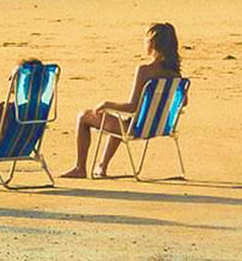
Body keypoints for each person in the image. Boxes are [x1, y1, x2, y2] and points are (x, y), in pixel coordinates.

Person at [61, 23, 185, 178]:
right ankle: (102, 166)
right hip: (159, 128)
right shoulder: (176, 75)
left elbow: (132, 107)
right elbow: (183, 102)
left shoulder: (144, 71)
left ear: (152, 44)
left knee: (83, 116)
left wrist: (107, 104)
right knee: (120, 118)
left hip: (137, 129)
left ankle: (80, 168)